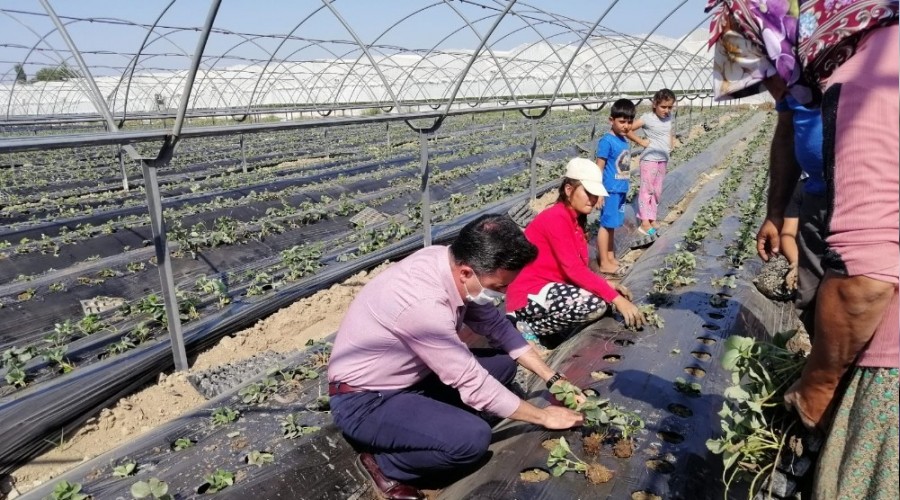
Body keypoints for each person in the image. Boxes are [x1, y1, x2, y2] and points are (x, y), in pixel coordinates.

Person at [706, 1, 899, 498]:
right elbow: (788, 124)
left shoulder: (872, 79)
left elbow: (864, 278)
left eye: (767, 70)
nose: (772, 87)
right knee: (827, 326)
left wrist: (819, 384)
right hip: (825, 205)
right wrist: (780, 213)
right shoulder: (846, 70)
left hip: (888, 349)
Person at [327, 214, 584, 500]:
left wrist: (553, 378)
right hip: (366, 401)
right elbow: (471, 381)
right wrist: (543, 416)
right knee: (471, 440)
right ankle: (386, 465)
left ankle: (437, 422)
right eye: (499, 287)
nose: (505, 293)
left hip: (412, 378)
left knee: (502, 364)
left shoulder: (447, 261)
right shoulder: (422, 304)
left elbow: (498, 327)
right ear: (465, 273)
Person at [506, 158, 645, 342]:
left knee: (604, 297)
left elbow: (578, 268)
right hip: (529, 295)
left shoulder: (574, 221)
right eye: (588, 192)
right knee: (595, 305)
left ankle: (552, 331)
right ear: (569, 190)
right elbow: (573, 269)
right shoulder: (556, 218)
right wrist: (617, 299)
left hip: (550, 287)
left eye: (595, 194)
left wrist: (607, 286)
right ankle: (525, 326)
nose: (593, 199)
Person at [627, 88, 677, 238]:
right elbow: (628, 129)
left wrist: (670, 145)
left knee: (657, 190)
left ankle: (652, 218)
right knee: (646, 190)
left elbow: (668, 132)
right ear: (654, 104)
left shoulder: (668, 117)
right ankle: (644, 223)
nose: (666, 110)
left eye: (669, 107)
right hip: (649, 159)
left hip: (663, 159)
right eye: (663, 107)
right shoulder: (647, 118)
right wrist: (641, 141)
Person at [595, 98, 636, 275]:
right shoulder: (607, 141)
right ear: (611, 120)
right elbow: (599, 167)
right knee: (605, 225)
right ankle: (604, 261)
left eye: (629, 122)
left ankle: (610, 257)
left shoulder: (623, 140)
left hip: (620, 189)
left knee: (612, 225)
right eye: (621, 121)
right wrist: (598, 193)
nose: (626, 126)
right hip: (609, 189)